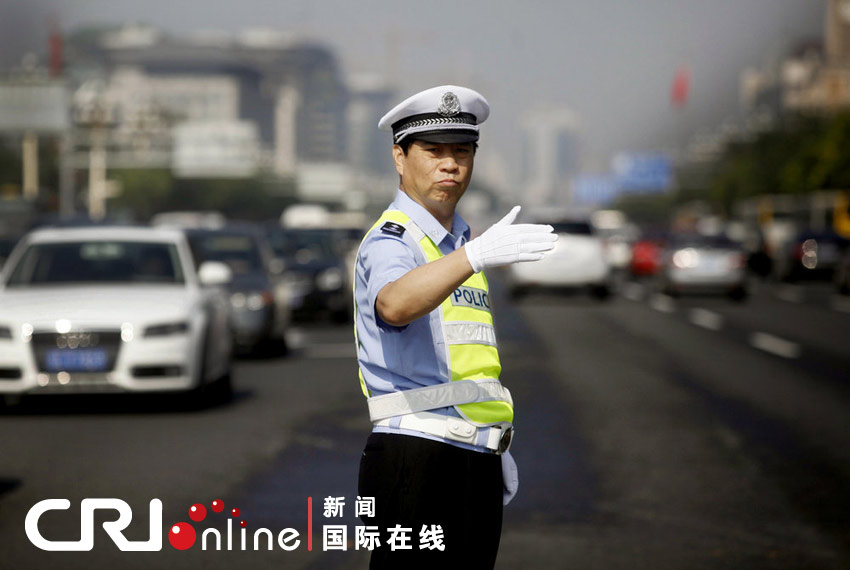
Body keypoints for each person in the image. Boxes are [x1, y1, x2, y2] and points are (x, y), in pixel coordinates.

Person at [354, 85, 557, 569]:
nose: (450, 164)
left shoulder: (456, 244)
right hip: (416, 458)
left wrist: (487, 440)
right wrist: (475, 255)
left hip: (471, 457)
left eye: (462, 151)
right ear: (400, 158)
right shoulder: (394, 239)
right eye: (434, 151)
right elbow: (395, 303)